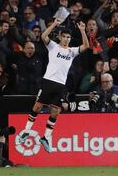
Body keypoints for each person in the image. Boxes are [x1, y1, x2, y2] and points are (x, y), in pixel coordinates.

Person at [20, 17, 89, 153]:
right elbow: (44, 36)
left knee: (56, 111)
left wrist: (82, 30)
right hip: (48, 82)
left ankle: (45, 138)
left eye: (68, 37)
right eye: (64, 37)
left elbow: (86, 46)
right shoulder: (53, 46)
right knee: (38, 106)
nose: (67, 39)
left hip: (60, 85)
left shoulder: (72, 52)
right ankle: (26, 131)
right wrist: (55, 24)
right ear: (60, 37)